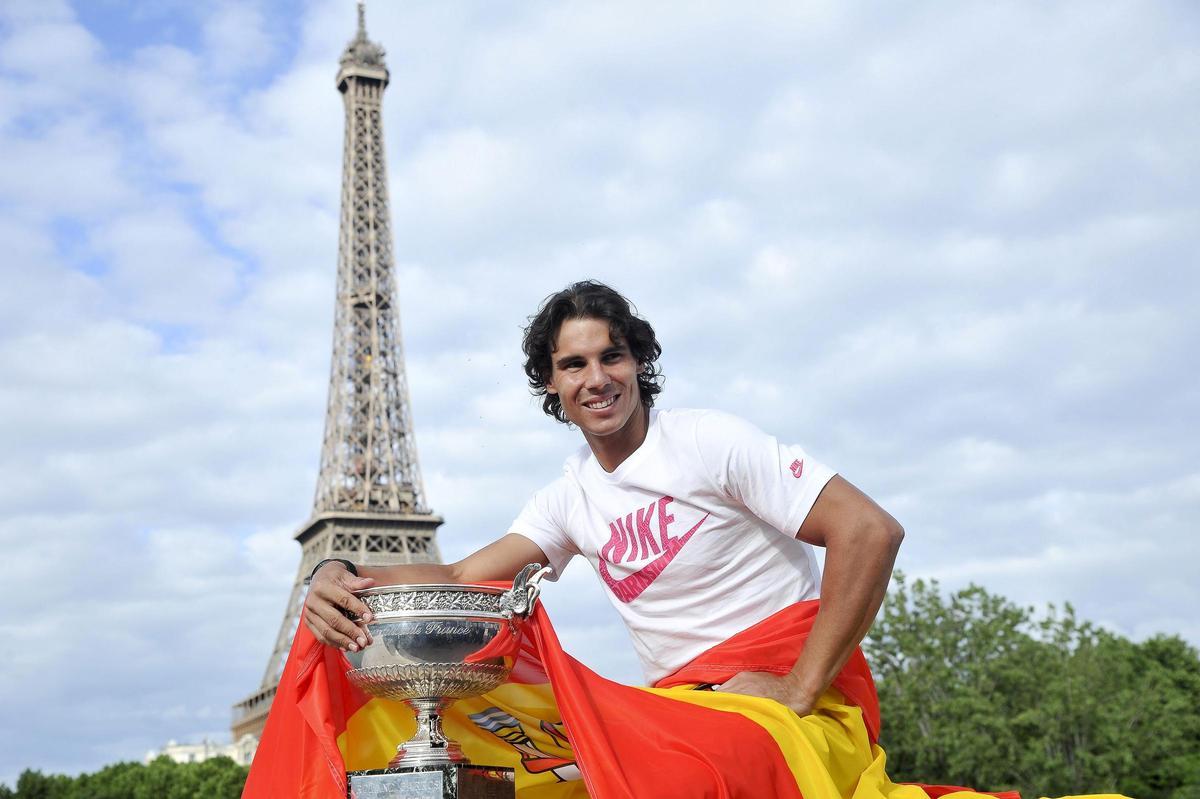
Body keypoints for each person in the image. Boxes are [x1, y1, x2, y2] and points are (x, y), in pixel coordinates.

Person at [303, 280, 903, 717]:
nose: (596, 378)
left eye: (611, 356)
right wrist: (342, 571)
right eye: (574, 364)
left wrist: (800, 688)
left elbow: (869, 530)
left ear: (638, 363)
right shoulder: (569, 501)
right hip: (685, 708)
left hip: (796, 698)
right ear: (551, 382)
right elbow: (459, 575)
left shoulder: (708, 441)